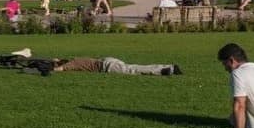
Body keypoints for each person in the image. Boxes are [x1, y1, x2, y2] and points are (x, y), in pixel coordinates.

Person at [46, 56, 181, 76]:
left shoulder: (72, 63)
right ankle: (168, 66)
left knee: (133, 70)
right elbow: (59, 60)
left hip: (106, 66)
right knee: (134, 66)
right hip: (108, 60)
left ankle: (164, 70)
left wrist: (49, 68)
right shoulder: (74, 59)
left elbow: (60, 68)